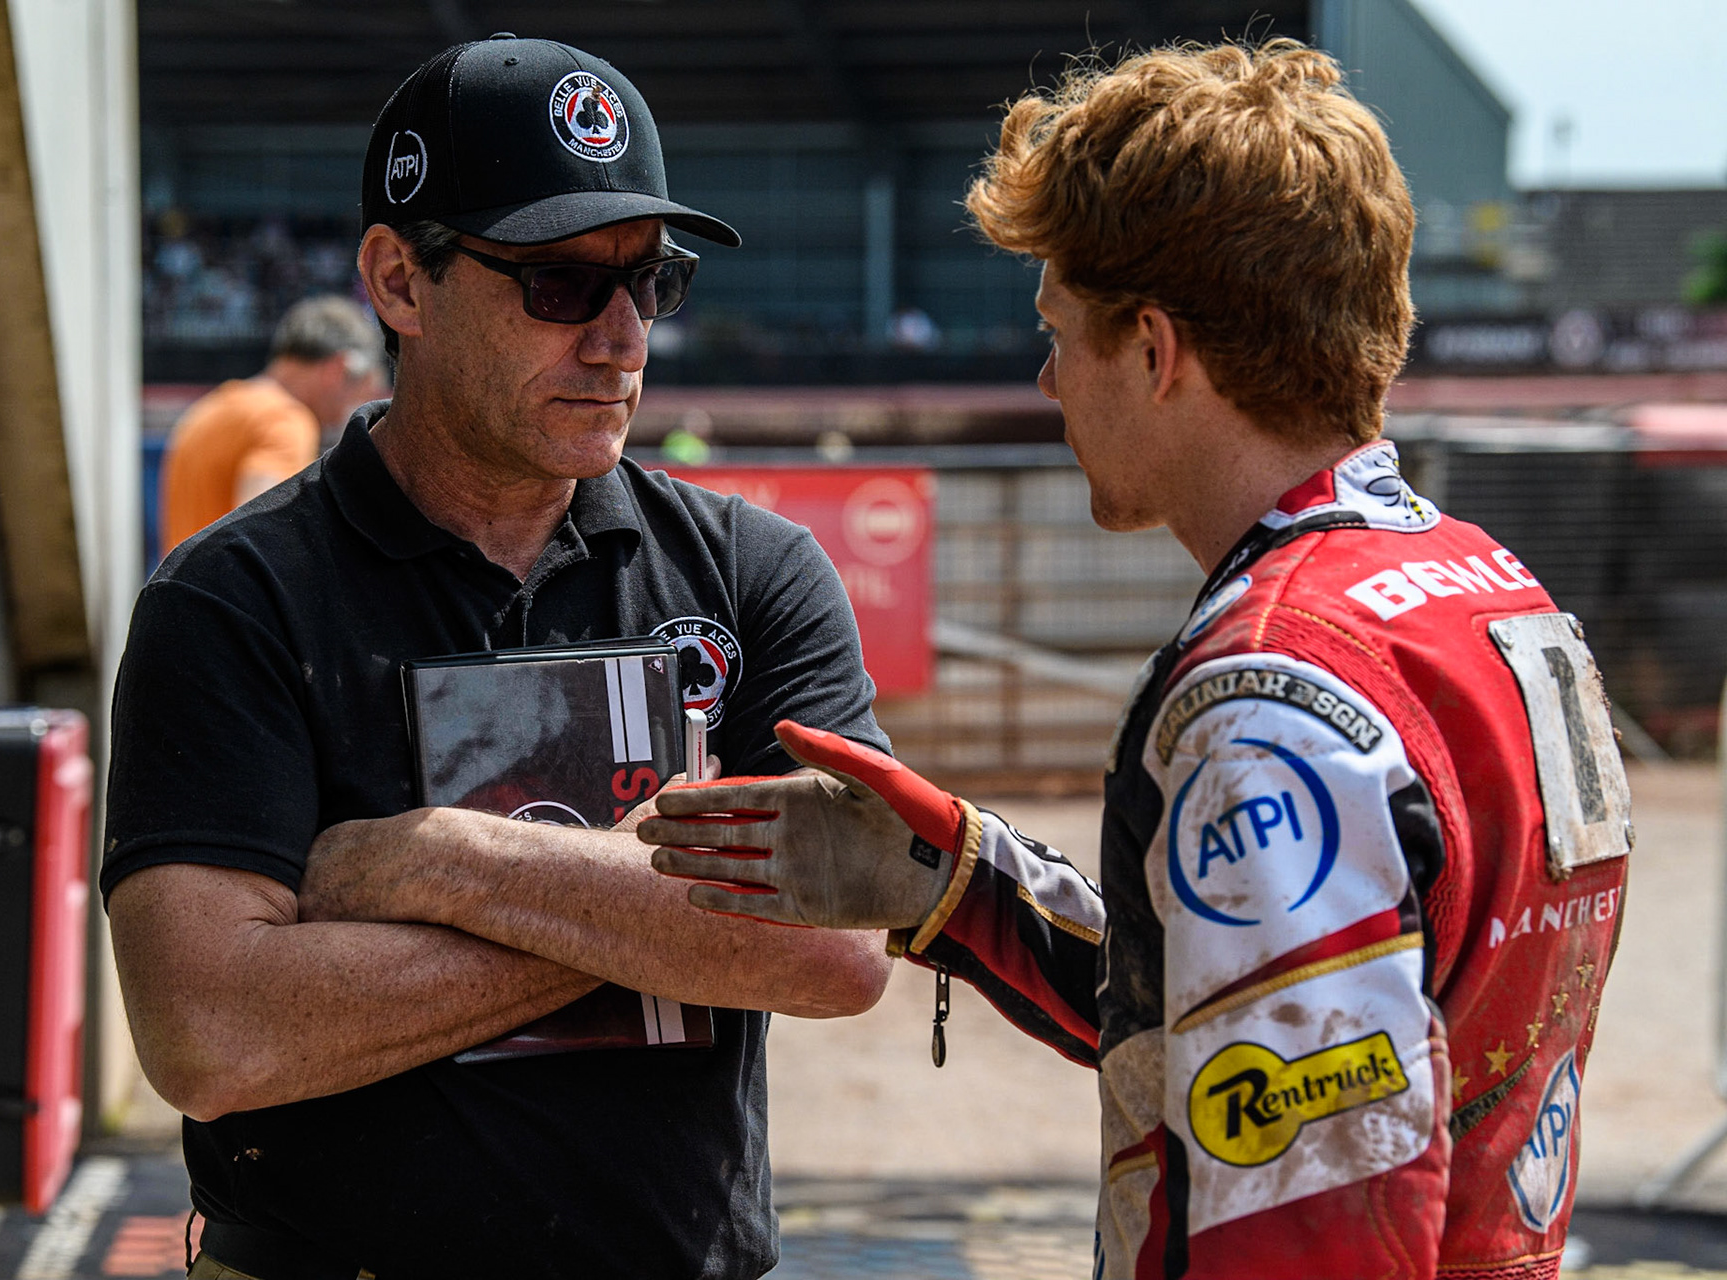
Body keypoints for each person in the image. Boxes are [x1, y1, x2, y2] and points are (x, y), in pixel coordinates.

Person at [640, 40, 1630, 1280]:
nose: (1048, 378)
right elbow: (1263, 1021)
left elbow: (1307, 1197)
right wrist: (956, 882)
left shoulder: (1265, 691)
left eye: (1059, 331)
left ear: (1156, 351)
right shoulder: (1492, 591)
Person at [104, 35, 892, 1280]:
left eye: (653, 281)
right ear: (399, 282)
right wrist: (652, 903)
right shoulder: (232, 598)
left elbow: (841, 943)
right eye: (562, 283)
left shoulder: (755, 568)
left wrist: (443, 860)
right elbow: (211, 1031)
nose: (624, 338)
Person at [158, 294, 387, 555]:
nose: (352, 411)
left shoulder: (211, 409)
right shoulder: (285, 422)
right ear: (338, 369)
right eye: (359, 393)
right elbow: (265, 538)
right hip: (236, 594)